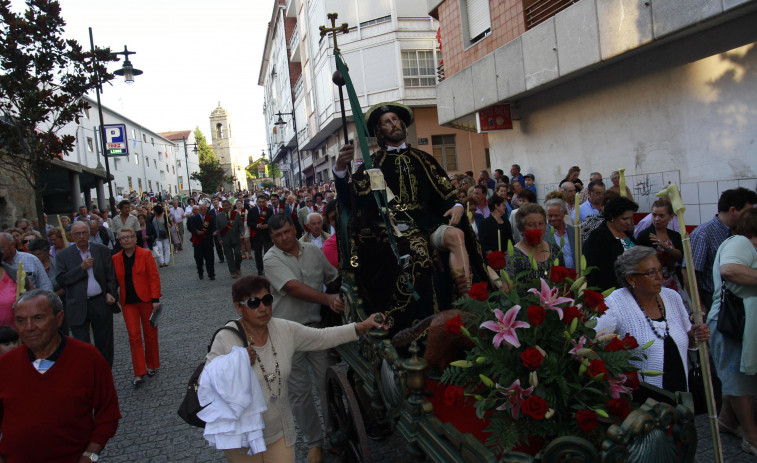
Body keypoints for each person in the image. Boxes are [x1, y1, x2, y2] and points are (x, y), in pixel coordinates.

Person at [334, 102, 490, 329]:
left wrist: (456, 204)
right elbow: (352, 198)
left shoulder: (423, 159)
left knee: (456, 234)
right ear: (379, 131)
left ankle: (465, 301)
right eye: (387, 122)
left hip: (429, 223)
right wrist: (340, 166)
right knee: (418, 250)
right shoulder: (374, 165)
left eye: (396, 119)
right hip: (396, 228)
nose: (394, 124)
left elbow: (445, 190)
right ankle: (418, 320)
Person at [204, 275, 384, 463]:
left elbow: (322, 337)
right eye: (253, 303)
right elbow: (205, 381)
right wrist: (236, 362)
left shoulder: (283, 329)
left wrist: (362, 326)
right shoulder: (227, 338)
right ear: (239, 307)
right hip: (242, 438)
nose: (262, 308)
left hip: (279, 433)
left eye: (267, 300)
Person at [0, 290, 121, 462]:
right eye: (20, 320)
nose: (29, 327)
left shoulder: (88, 358)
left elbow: (109, 414)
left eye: (38, 318)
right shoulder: (5, 365)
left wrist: (90, 456)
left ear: (59, 318)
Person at [262, 214, 345, 462]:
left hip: (316, 329)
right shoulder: (271, 258)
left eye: (287, 232)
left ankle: (334, 433)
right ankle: (314, 442)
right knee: (299, 392)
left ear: (295, 229)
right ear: (272, 238)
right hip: (286, 331)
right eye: (277, 235)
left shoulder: (313, 251)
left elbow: (332, 278)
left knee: (326, 383)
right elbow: (292, 287)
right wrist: (328, 300)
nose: (284, 238)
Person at [596, 247, 709, 392]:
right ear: (631, 279)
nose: (659, 276)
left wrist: (696, 335)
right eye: (651, 273)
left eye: (659, 270)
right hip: (643, 400)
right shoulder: (615, 303)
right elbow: (590, 340)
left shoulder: (672, 297)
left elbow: (689, 341)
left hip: (680, 392)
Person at [707, 208, 757, 455]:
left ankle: (726, 420)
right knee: (739, 379)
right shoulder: (741, 242)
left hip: (742, 322)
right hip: (733, 322)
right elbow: (730, 270)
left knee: (736, 376)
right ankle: (751, 436)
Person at [55, 221, 118, 366]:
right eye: (77, 234)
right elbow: (61, 280)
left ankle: (105, 372)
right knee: (82, 345)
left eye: (84, 233)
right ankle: (87, 375)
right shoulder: (63, 256)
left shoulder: (101, 250)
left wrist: (110, 293)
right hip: (77, 304)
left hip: (100, 302)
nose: (81, 236)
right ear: (71, 236)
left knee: (105, 343)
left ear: (89, 234)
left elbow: (111, 275)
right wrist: (81, 268)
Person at [690, 187, 757, 311]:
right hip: (714, 301)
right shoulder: (703, 234)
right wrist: (699, 306)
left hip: (739, 303)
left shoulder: (739, 231)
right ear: (733, 210)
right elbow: (690, 273)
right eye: (749, 212)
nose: (752, 217)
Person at [112, 227, 162, 388]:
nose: (126, 240)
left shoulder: (145, 255)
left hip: (146, 300)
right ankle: (138, 371)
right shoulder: (115, 258)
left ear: (135, 238)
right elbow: (113, 280)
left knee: (150, 333)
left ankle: (152, 364)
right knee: (134, 337)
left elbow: (154, 278)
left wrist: (155, 299)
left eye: (129, 237)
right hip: (128, 302)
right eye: (123, 238)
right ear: (119, 241)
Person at [583, 196, 638, 292]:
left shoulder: (627, 234)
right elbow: (592, 270)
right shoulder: (598, 237)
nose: (629, 222)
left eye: (630, 218)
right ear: (613, 217)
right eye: (625, 219)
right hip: (611, 290)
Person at [505, 203, 564, 284]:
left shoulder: (554, 249)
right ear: (521, 229)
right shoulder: (513, 256)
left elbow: (563, 280)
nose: (537, 228)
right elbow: (509, 288)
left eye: (540, 223)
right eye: (531, 225)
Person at [634, 199, 684, 292]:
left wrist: (666, 246)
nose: (657, 219)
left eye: (661, 216)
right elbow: (637, 259)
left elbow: (682, 257)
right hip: (653, 280)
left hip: (674, 279)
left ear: (671, 217)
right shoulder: (645, 235)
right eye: (654, 215)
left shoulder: (675, 235)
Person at [187, 203, 217, 280]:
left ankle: (211, 274)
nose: (204, 211)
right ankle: (200, 272)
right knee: (199, 259)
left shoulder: (209, 218)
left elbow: (213, 227)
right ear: (199, 210)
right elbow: (191, 228)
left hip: (208, 241)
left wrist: (214, 232)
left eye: (205, 209)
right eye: (202, 209)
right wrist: (197, 232)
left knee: (210, 258)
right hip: (198, 241)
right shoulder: (194, 218)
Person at [545, 198, 577, 269]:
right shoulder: (543, 234)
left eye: (556, 215)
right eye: (550, 216)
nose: (553, 218)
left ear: (564, 214)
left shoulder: (574, 231)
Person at [217, 199, 245, 278]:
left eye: (226, 205)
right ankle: (233, 271)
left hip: (236, 237)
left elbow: (240, 225)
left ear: (230, 205)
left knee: (238, 254)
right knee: (229, 256)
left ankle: (238, 266)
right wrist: (219, 239)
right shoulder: (219, 216)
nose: (225, 207)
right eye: (223, 206)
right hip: (225, 239)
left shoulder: (235, 214)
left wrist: (242, 231)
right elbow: (218, 229)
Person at [248, 195, 273, 276]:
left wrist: (267, 225)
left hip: (266, 234)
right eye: (259, 202)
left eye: (263, 202)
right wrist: (256, 225)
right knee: (258, 253)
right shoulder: (252, 211)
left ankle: (268, 268)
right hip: (256, 235)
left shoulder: (269, 210)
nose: (261, 203)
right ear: (256, 202)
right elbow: (249, 222)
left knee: (268, 253)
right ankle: (259, 269)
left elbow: (272, 220)